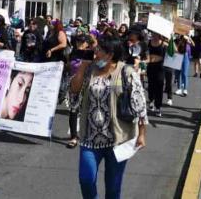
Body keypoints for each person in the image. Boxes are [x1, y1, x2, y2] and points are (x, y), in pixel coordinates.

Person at [70, 34, 147, 199]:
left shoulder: (126, 72)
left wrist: (141, 133)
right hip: (90, 137)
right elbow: (74, 90)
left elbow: (139, 103)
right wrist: (82, 67)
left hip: (118, 140)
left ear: (110, 54)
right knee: (86, 179)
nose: (95, 54)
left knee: (113, 188)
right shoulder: (90, 69)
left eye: (98, 50)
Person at [66, 33, 94, 148]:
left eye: (82, 42)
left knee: (88, 111)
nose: (79, 44)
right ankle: (73, 137)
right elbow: (68, 66)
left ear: (87, 43)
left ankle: (88, 135)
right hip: (74, 85)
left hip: (88, 85)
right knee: (73, 111)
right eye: (78, 41)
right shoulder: (72, 53)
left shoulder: (91, 54)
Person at [146, 33, 167, 116]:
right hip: (150, 67)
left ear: (159, 35)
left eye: (156, 34)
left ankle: (158, 107)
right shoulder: (148, 42)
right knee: (151, 86)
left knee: (159, 86)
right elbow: (145, 54)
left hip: (160, 68)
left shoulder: (164, 44)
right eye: (153, 34)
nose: (154, 35)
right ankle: (151, 100)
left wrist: (171, 38)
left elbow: (175, 51)